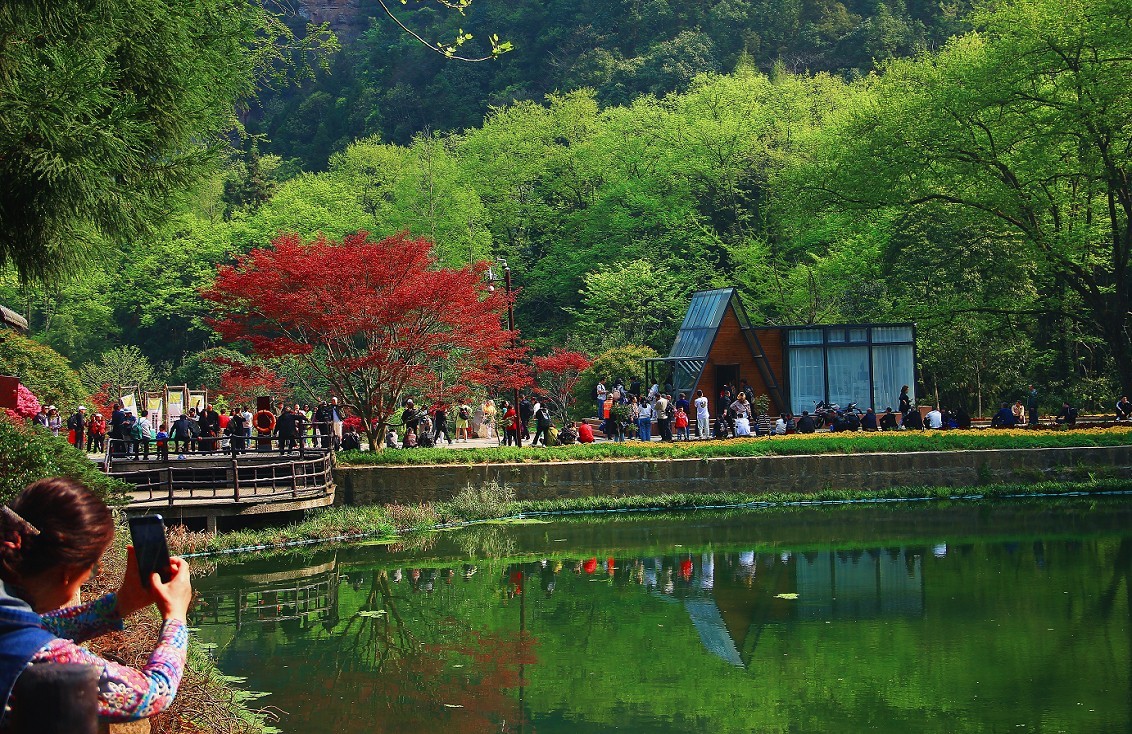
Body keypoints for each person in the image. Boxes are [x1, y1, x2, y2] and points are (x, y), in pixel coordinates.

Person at [0, 478, 192, 727]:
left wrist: (121, 604)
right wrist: (176, 616)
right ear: (68, 572)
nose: (93, 575)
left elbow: (36, 629)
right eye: (91, 569)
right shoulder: (40, 658)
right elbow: (152, 693)